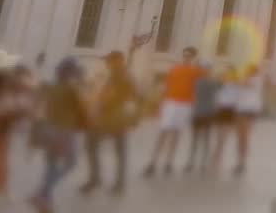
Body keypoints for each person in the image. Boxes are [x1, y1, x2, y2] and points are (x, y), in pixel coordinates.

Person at [29, 57, 88, 213]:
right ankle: (42, 192)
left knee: (51, 164)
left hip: (48, 128)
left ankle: (45, 199)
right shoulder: (71, 89)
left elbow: (37, 103)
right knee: (71, 163)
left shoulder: (51, 87)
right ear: (70, 72)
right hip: (64, 131)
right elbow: (82, 108)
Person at [80, 51, 139, 195]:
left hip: (111, 117)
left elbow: (109, 96)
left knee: (91, 144)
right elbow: (134, 96)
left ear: (118, 61)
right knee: (119, 151)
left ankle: (96, 179)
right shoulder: (125, 75)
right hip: (119, 117)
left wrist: (98, 107)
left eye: (109, 61)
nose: (107, 63)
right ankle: (118, 183)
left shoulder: (118, 76)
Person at [143, 46, 200, 178]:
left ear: (193, 58)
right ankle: (153, 161)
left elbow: (197, 89)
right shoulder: (174, 69)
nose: (186, 58)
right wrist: (161, 105)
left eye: (189, 56)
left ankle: (169, 162)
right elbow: (166, 87)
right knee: (163, 132)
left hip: (185, 104)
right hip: (171, 103)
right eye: (185, 55)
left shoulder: (196, 72)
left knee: (176, 133)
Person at [0, 57, 34, 202]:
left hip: (3, 130)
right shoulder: (10, 95)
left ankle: (4, 191)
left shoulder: (10, 93)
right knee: (2, 161)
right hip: (2, 131)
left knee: (2, 161)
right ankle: (3, 192)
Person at [185, 61, 218, 173]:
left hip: (204, 112)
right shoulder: (208, 82)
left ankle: (197, 161)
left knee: (202, 138)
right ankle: (194, 161)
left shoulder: (199, 82)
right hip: (201, 112)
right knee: (200, 138)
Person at [233, 64, 265, 176]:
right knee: (240, 137)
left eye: (249, 70)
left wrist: (239, 78)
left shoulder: (256, 80)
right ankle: (240, 161)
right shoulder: (252, 80)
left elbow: (242, 84)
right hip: (242, 110)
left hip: (248, 110)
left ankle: (242, 162)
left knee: (244, 136)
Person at [209, 65, 240, 171]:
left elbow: (237, 100)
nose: (226, 74)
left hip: (229, 110)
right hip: (221, 109)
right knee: (220, 134)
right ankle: (216, 154)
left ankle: (217, 154)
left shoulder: (235, 84)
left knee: (223, 135)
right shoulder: (221, 84)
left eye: (228, 72)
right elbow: (216, 97)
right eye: (226, 72)